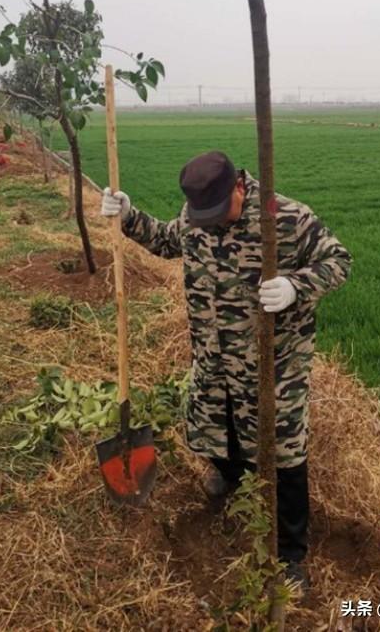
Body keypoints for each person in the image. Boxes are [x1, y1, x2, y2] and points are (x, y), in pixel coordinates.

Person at [101, 151, 351, 590]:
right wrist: (129, 216)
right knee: (212, 423)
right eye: (204, 216)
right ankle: (232, 479)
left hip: (275, 364)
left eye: (220, 213)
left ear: (239, 185)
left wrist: (297, 286)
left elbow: (338, 261)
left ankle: (291, 554)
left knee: (285, 453)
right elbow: (167, 241)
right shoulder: (196, 217)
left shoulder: (286, 217)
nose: (212, 223)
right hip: (214, 354)